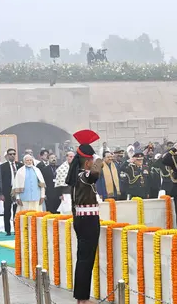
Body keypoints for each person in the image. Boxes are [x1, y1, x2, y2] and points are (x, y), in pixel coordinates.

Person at [65, 129, 102, 304]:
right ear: (86, 161)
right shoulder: (83, 176)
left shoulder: (77, 177)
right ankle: (82, 298)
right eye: (90, 160)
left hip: (83, 219)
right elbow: (95, 173)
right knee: (86, 259)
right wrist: (98, 158)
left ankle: (82, 297)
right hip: (88, 220)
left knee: (84, 258)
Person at [0, 149, 23, 235]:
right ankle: (8, 230)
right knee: (7, 210)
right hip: (7, 191)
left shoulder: (20, 165)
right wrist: (1, 193)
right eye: (10, 154)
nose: (12, 155)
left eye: (14, 154)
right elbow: (0, 181)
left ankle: (16, 229)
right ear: (7, 156)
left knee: (17, 210)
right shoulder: (3, 166)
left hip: (18, 191)